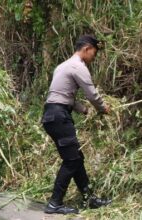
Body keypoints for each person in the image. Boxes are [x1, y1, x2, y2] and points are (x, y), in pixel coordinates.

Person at [41, 35, 112, 214]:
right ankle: (54, 203)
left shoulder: (63, 66)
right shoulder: (78, 66)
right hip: (59, 116)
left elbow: (64, 96)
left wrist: (85, 110)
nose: (93, 57)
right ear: (87, 48)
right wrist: (103, 108)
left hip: (53, 115)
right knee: (71, 160)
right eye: (93, 53)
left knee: (76, 158)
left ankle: (89, 198)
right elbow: (91, 93)